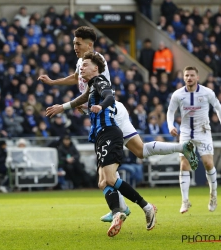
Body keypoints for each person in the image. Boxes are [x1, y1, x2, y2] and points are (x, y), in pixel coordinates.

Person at [38, 25, 198, 223]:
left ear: (90, 45)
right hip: (109, 114)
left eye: (78, 43)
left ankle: (125, 207)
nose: (74, 47)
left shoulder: (97, 61)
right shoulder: (83, 63)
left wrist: (68, 106)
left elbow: (97, 92)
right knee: (137, 152)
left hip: (109, 115)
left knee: (107, 173)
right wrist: (54, 83)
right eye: (73, 43)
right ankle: (181, 148)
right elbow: (77, 79)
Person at [46, 52, 157, 237]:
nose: (81, 67)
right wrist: (62, 107)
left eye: (85, 65)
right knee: (102, 181)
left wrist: (101, 106)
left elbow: (109, 97)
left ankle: (146, 207)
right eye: (81, 65)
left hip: (109, 133)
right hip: (100, 136)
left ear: (95, 68)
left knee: (110, 178)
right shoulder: (91, 87)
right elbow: (81, 100)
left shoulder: (100, 81)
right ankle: (117, 214)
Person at [167, 66, 220, 213]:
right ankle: (185, 201)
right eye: (186, 75)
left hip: (203, 131)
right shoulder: (177, 94)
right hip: (185, 133)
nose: (189, 78)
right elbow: (170, 111)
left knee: (208, 163)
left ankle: (213, 195)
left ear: (197, 77)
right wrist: (170, 126)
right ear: (183, 78)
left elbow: (217, 106)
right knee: (184, 165)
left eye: (192, 75)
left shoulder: (207, 92)